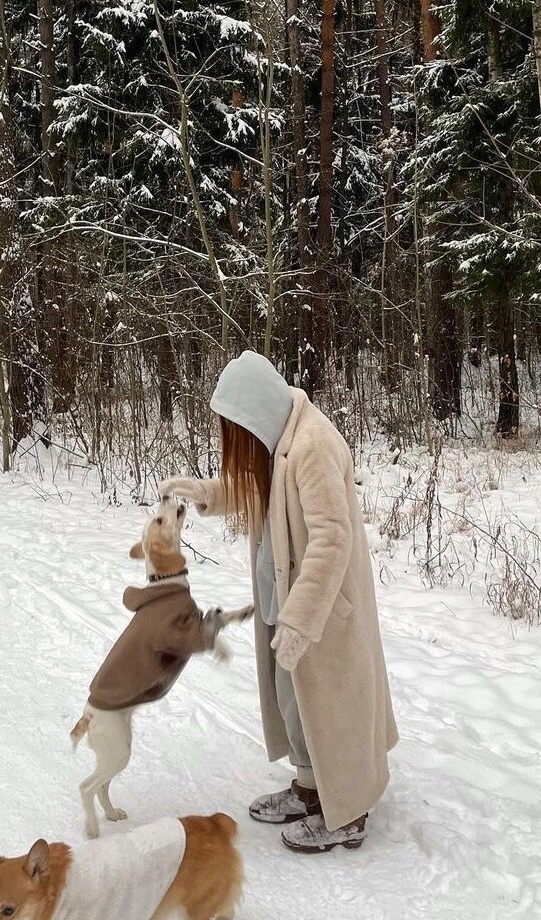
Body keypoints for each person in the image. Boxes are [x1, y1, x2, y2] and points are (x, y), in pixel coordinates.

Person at [160, 350, 397, 853]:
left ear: (255, 414)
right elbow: (256, 485)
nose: (235, 442)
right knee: (297, 703)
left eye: (235, 428)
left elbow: (332, 538)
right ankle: (313, 789)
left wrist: (301, 621)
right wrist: (206, 492)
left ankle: (347, 812)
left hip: (321, 611)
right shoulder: (280, 438)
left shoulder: (312, 446)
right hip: (285, 602)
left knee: (332, 707)